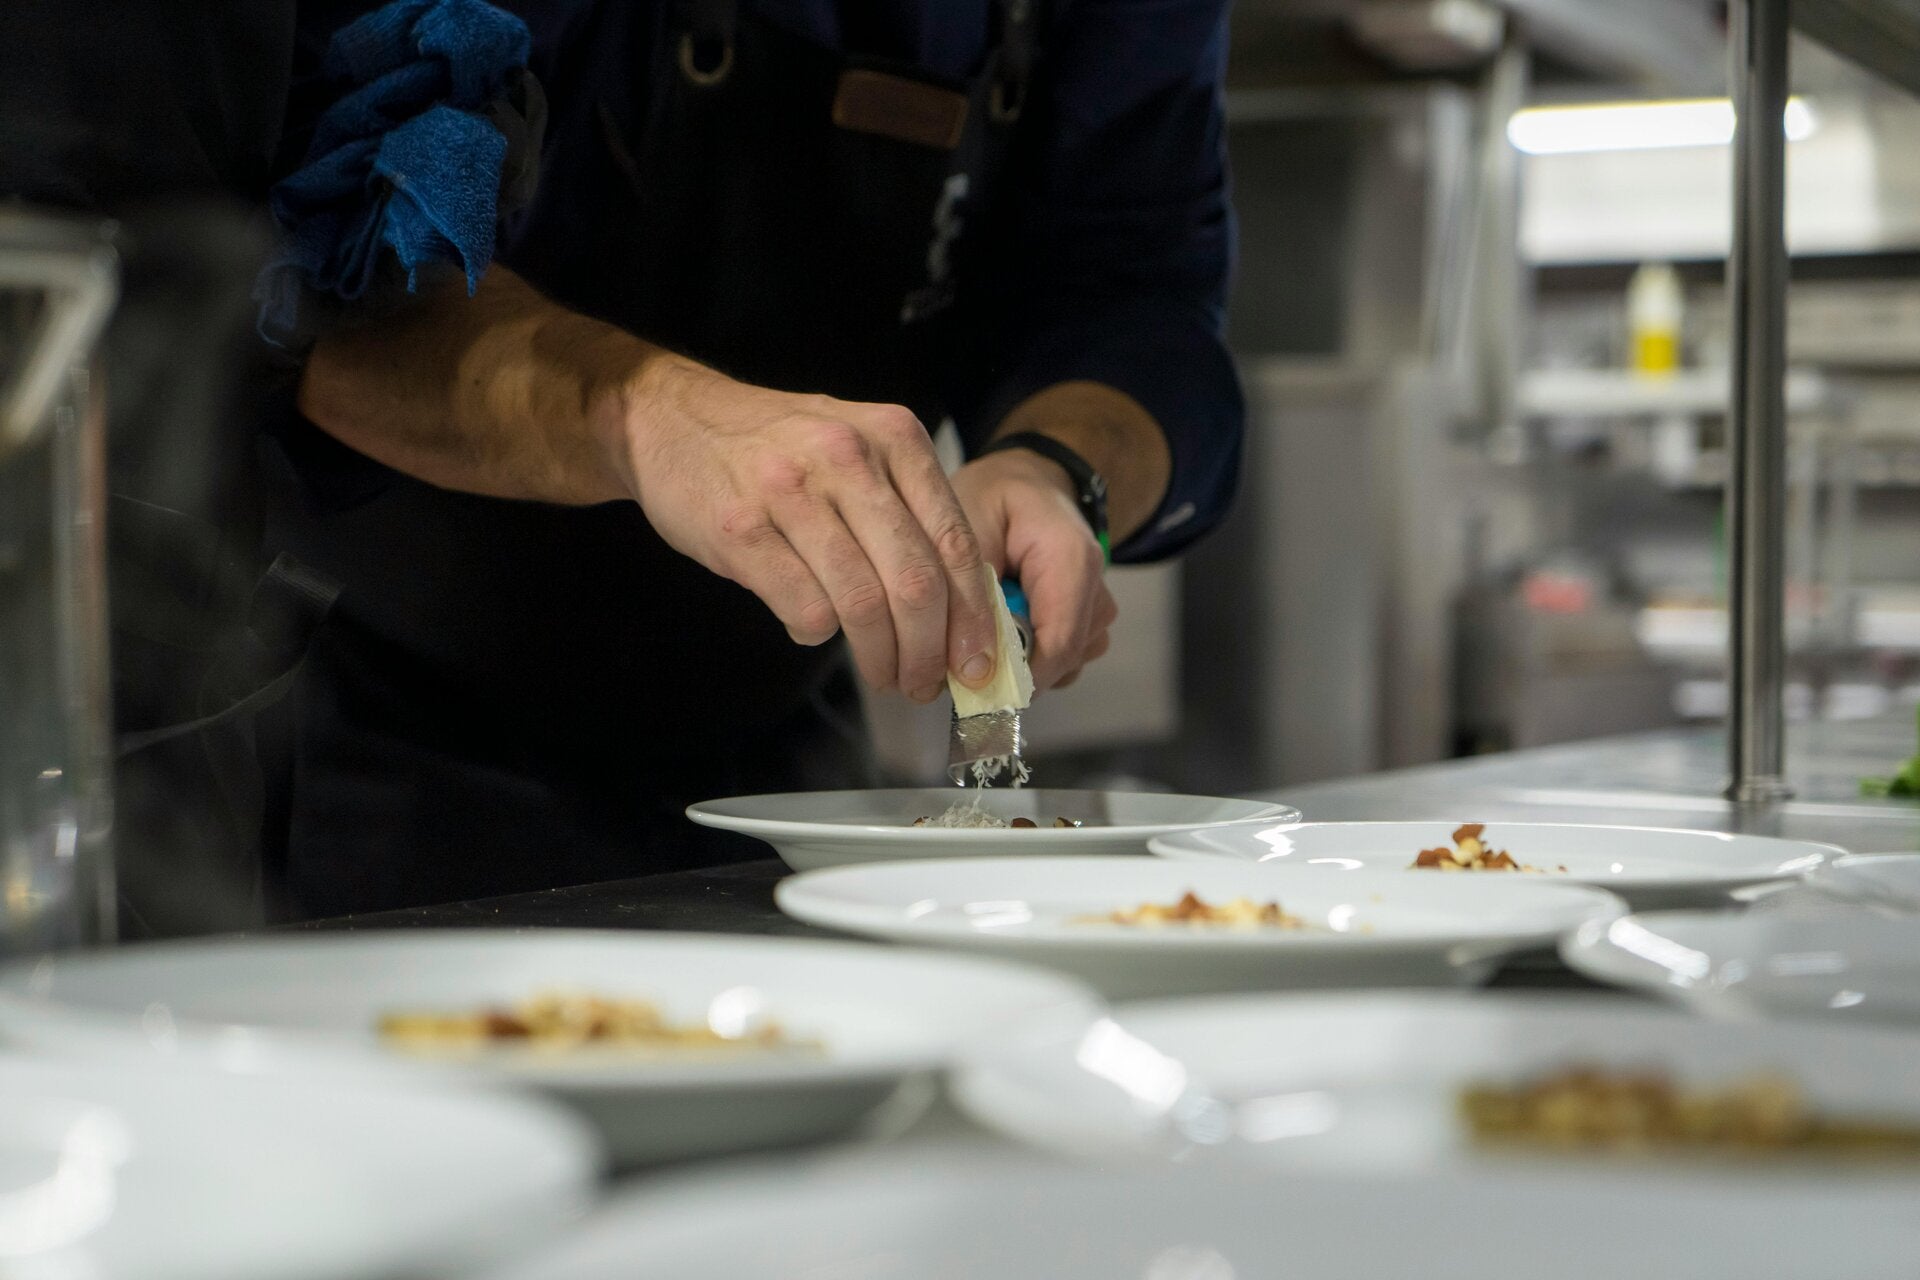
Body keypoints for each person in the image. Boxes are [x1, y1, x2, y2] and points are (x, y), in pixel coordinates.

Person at [6, 0, 1245, 924]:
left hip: (790, 771)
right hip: (380, 740)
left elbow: (1133, 284)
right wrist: (642, 411)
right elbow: (309, 285)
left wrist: (1057, 465)